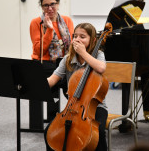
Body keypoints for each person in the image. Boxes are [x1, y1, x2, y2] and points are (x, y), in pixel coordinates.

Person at [44, 23, 108, 151]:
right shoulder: (68, 58)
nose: (77, 39)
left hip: (95, 107)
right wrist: (36, 82)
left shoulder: (98, 54)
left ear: (93, 40)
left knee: (97, 133)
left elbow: (101, 67)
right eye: (75, 36)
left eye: (82, 37)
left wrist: (83, 53)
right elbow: (52, 79)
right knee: (49, 131)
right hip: (72, 107)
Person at [29, 0, 74, 123]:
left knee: (74, 87)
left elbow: (71, 45)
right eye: (45, 5)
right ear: (41, 7)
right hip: (44, 63)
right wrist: (49, 30)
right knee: (52, 85)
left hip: (64, 61)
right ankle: (52, 119)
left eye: (52, 4)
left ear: (58, 4)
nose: (49, 8)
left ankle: (76, 116)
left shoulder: (66, 20)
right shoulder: (36, 23)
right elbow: (39, 51)